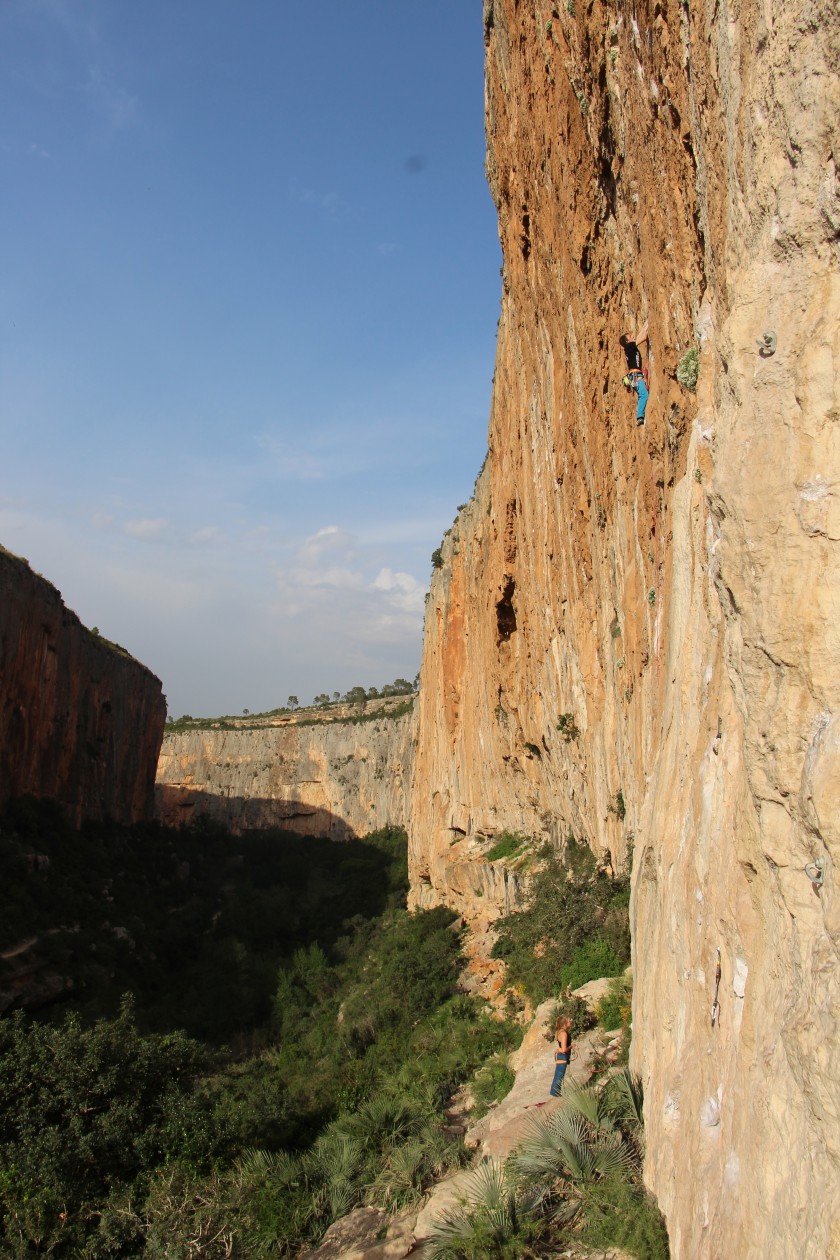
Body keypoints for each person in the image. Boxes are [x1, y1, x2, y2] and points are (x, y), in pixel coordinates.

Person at [550, 1016, 572, 1096]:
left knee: (558, 1076)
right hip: (562, 1056)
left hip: (561, 1056)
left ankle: (555, 1093)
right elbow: (563, 1049)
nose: (571, 1021)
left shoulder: (560, 1031)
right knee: (559, 1076)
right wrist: (571, 1047)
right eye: (569, 1020)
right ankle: (555, 1094)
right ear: (565, 1023)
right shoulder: (564, 1034)